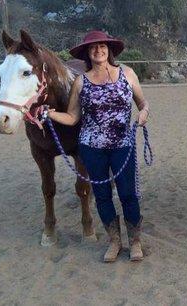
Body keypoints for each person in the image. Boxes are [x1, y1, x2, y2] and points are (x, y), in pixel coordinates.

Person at [48, 31, 150, 262]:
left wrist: (143, 113)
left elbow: (143, 103)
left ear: (109, 49)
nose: (98, 50)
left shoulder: (127, 73)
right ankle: (114, 241)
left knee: (128, 194)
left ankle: (135, 241)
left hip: (123, 145)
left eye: (102, 46)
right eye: (93, 47)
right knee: (102, 196)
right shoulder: (81, 82)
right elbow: (73, 117)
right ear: (87, 53)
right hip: (91, 148)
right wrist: (50, 114)